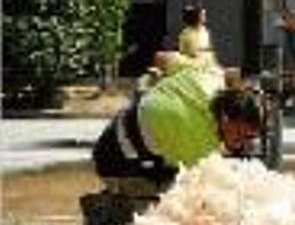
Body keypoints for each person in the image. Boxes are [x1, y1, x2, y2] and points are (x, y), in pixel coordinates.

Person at [91, 55, 262, 188]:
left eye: (250, 138)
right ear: (226, 119)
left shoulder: (210, 77)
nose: (242, 144)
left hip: (123, 124)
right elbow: (207, 190)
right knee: (171, 205)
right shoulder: (199, 143)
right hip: (115, 161)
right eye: (241, 135)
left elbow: (163, 57)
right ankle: (106, 209)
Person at [177, 3, 220, 69]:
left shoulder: (205, 31)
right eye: (202, 15)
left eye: (204, 14)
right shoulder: (185, 34)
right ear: (195, 16)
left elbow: (209, 49)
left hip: (207, 63)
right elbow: (183, 53)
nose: (204, 17)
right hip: (193, 65)